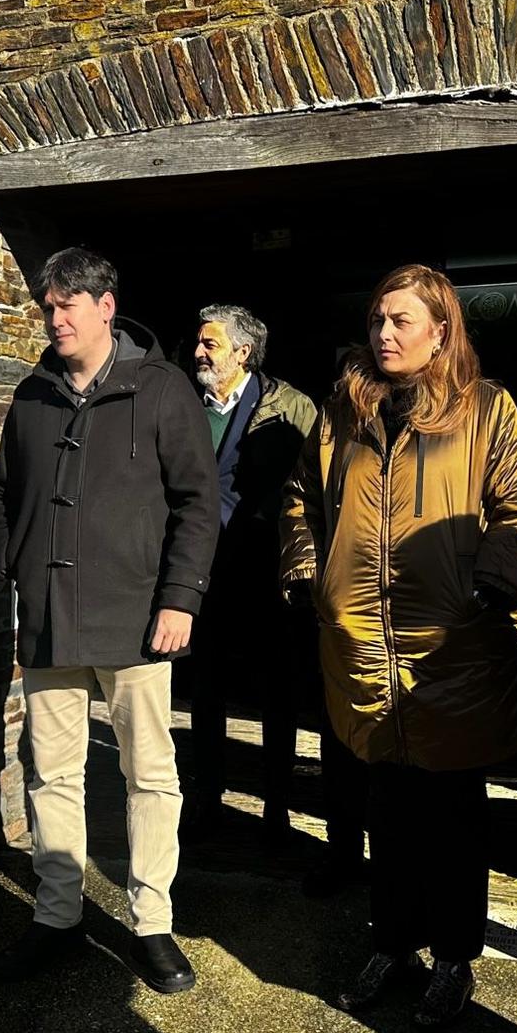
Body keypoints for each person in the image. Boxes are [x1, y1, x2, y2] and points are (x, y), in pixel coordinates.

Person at [280, 265, 517, 1028]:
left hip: (453, 652)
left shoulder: (488, 410)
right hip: (362, 651)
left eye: (402, 321)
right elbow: (302, 498)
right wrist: (309, 571)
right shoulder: (342, 413)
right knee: (386, 809)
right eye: (377, 320)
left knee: (454, 817)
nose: (384, 334)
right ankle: (393, 943)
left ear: (441, 332)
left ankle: (454, 960)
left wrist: (500, 576)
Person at [0, 248, 219, 995]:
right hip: (50, 619)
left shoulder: (160, 390)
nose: (54, 319)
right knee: (51, 772)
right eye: (47, 308)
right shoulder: (32, 396)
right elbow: (0, 493)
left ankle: (151, 924)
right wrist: (10, 559)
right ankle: (58, 915)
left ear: (105, 306)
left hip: (139, 619)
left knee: (149, 776)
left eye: (67, 306)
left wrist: (180, 597)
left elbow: (197, 501)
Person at [185, 303, 317, 844]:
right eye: (199, 341)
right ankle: (207, 800)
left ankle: (277, 809)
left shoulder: (293, 407)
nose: (198, 352)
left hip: (266, 568)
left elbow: (315, 484)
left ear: (242, 352)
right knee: (204, 687)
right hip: (201, 568)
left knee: (276, 692)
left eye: (210, 343)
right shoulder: (181, 404)